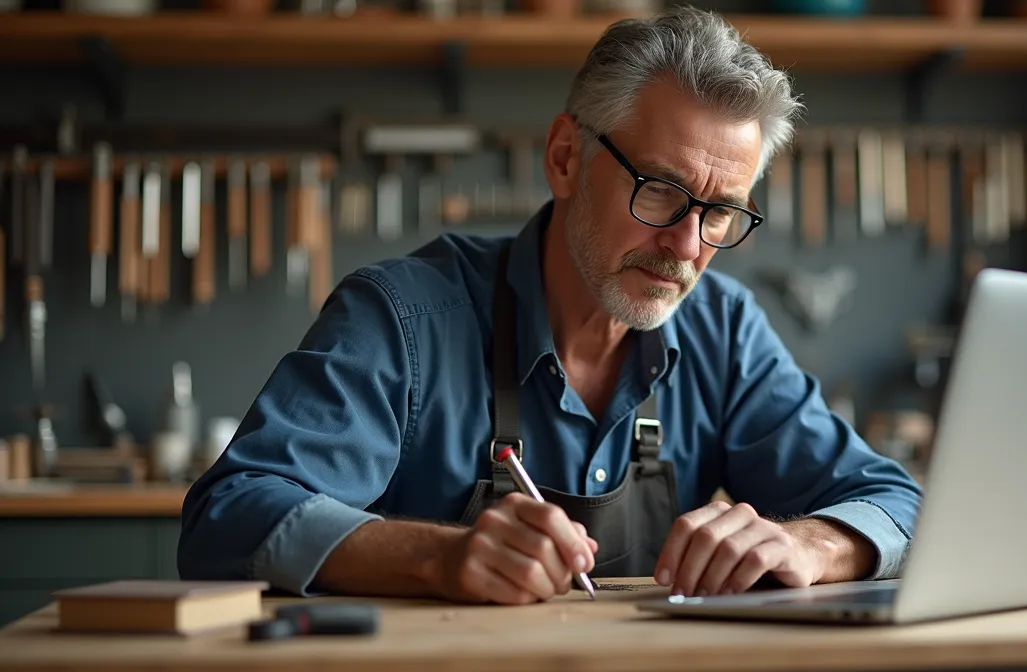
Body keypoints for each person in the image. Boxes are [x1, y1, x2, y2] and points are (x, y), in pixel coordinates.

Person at [177, 6, 923, 606]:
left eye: (720, 212)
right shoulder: (403, 318)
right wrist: (437, 558)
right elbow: (227, 516)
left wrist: (812, 545)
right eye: (660, 190)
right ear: (566, 158)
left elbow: (901, 503)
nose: (686, 245)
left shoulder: (723, 332)